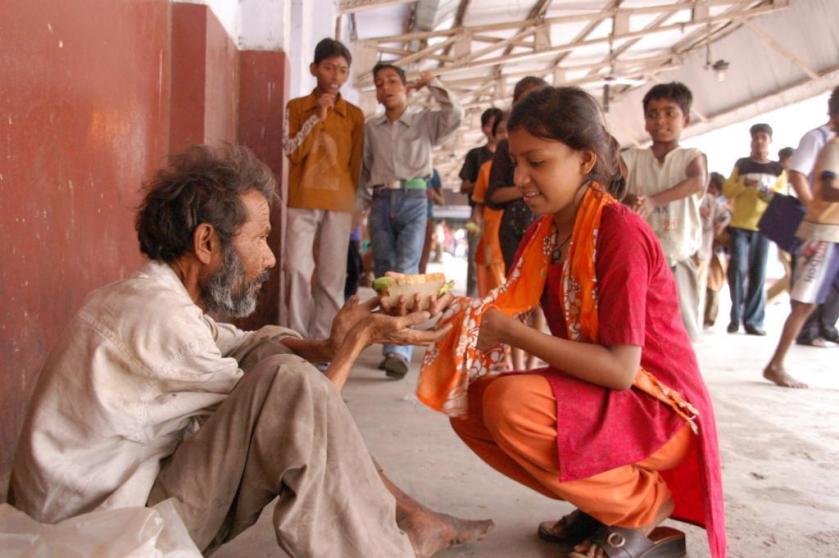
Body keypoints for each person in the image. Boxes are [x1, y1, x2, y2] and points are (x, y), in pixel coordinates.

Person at [9, 145, 493, 557]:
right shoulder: (157, 318)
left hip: (106, 506)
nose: (270, 258)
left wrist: (330, 344)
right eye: (259, 238)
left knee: (268, 355)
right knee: (290, 384)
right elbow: (294, 407)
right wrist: (358, 343)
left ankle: (408, 515)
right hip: (101, 537)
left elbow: (245, 346)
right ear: (206, 242)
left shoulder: (151, 297)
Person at [416, 87, 725, 558]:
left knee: (508, 403)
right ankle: (599, 503)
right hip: (608, 394)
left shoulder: (619, 231)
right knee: (470, 407)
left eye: (536, 162)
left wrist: (517, 335)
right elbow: (500, 307)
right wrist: (437, 309)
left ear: (584, 160)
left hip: (658, 407)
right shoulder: (546, 231)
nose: (520, 178)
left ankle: (641, 506)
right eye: (516, 162)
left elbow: (622, 370)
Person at [360, 63, 463, 379]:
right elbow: (364, 168)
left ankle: (399, 350)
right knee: (384, 272)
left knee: (405, 271)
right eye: (379, 83)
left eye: (393, 81)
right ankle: (390, 337)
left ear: (405, 87)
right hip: (380, 201)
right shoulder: (371, 128)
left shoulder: (424, 123)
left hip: (415, 200)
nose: (386, 87)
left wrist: (435, 84)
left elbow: (455, 115)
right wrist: (362, 206)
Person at [283, 38, 365, 340]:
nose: (335, 76)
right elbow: (292, 151)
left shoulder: (354, 116)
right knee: (295, 269)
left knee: (331, 278)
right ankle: (296, 337)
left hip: (340, 203)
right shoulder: (297, 108)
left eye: (342, 71)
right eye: (329, 68)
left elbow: (355, 163)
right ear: (314, 69)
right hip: (301, 199)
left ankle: (323, 341)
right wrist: (317, 117)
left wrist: (357, 206)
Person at [623, 82, 708, 342]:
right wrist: (630, 199)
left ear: (687, 119)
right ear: (645, 122)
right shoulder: (632, 158)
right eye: (652, 114)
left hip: (677, 256)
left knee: (681, 331)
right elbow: (609, 184)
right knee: (637, 329)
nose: (660, 120)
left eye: (669, 112)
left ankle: (680, 381)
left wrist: (651, 201)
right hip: (638, 260)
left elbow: (697, 181)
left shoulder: (692, 157)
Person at [764, 131, 839, 387]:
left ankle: (776, 363)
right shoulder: (834, 147)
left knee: (809, 303)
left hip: (833, 234)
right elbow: (828, 189)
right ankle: (775, 364)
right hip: (823, 234)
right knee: (804, 303)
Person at [722, 123, 786, 335]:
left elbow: (778, 198)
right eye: (755, 137)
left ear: (770, 141)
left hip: (763, 227)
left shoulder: (778, 169)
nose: (759, 141)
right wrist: (743, 185)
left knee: (758, 273)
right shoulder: (742, 164)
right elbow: (727, 190)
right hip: (739, 225)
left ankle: (754, 321)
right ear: (751, 141)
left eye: (763, 137)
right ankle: (734, 317)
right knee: (738, 270)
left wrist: (762, 191)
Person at [789, 86, 839, 347]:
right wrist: (811, 206)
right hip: (820, 226)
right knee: (806, 296)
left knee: (825, 289)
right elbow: (797, 173)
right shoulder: (820, 140)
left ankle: (824, 327)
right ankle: (808, 332)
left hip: (833, 226)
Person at [460, 108, 504, 296]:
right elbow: (464, 186)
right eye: (494, 127)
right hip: (481, 215)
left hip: (505, 217)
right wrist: (484, 184)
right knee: (477, 260)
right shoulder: (477, 157)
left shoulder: (517, 158)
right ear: (486, 129)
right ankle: (473, 299)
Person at [471, 114, 509, 297]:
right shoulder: (487, 168)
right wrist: (476, 222)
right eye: (501, 132)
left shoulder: (529, 168)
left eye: (510, 131)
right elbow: (479, 204)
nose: (506, 136)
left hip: (521, 235)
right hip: (493, 236)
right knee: (495, 289)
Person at [700, 172, 732, 327]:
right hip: (699, 248)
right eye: (708, 186)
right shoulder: (698, 200)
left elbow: (726, 216)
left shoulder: (717, 204)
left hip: (712, 251)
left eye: (713, 187)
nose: (710, 190)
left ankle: (709, 317)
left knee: (713, 285)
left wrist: (720, 225)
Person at [766, 147, 797, 304]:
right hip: (784, 231)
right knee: (792, 272)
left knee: (791, 272)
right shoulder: (779, 176)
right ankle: (798, 305)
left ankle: (764, 300)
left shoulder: (792, 178)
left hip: (791, 231)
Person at [419, 168, 445, 274]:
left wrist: (432, 194)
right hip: (402, 217)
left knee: (422, 261)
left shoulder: (432, 172)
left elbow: (442, 201)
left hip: (426, 219)